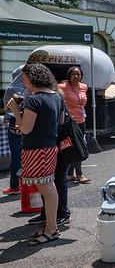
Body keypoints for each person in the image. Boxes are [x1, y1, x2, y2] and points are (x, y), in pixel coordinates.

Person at [5, 64, 63, 244]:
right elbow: (60, 121)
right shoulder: (56, 96)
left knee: (47, 189)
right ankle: (51, 227)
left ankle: (51, 229)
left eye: (24, 77)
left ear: (33, 78)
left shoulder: (34, 99)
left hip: (37, 149)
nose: (23, 81)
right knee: (49, 188)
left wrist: (15, 110)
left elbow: (25, 129)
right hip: (49, 147)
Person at [58, 66, 90, 184]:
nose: (75, 76)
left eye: (78, 74)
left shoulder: (83, 87)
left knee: (78, 145)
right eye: (73, 74)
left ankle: (70, 174)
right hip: (70, 122)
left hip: (81, 120)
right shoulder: (62, 87)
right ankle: (80, 174)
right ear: (69, 76)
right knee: (76, 147)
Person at [2, 66, 25, 195]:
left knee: (16, 155)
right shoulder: (31, 89)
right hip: (29, 124)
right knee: (27, 155)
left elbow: (7, 108)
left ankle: (15, 186)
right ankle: (27, 184)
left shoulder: (11, 89)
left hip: (14, 125)